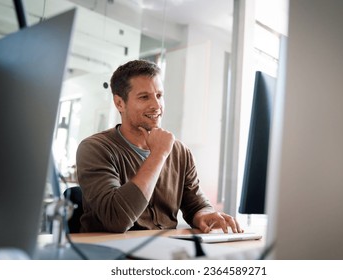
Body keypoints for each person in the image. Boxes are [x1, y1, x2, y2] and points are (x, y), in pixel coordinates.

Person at [76, 59, 243, 234]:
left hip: (163, 249)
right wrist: (158, 155)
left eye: (159, 95)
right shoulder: (94, 148)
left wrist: (205, 215)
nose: (157, 106)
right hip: (109, 252)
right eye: (144, 97)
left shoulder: (180, 151)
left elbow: (196, 204)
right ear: (119, 103)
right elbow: (116, 219)